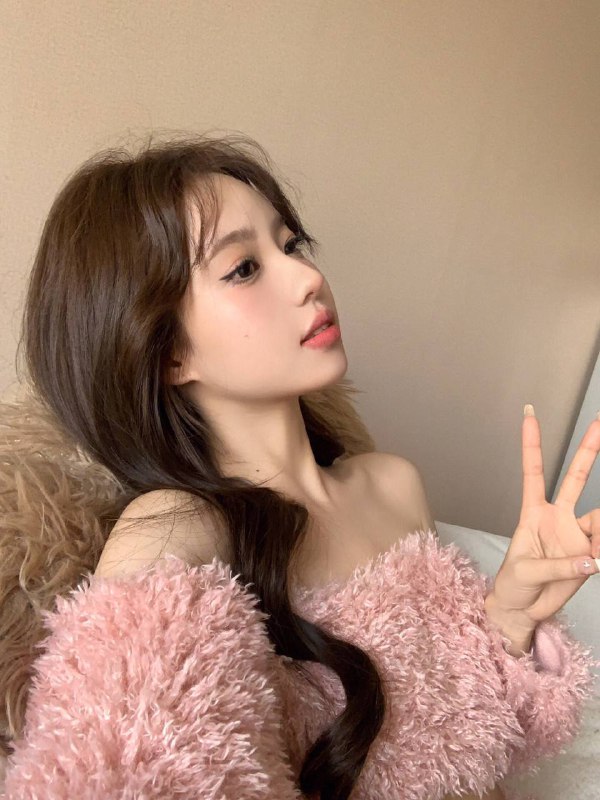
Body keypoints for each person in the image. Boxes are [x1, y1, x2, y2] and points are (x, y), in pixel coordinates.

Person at [1, 131, 598, 800]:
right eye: (244, 268)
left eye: (290, 245)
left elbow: (460, 736)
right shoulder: (175, 530)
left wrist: (510, 618)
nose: (309, 277)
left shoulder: (392, 483)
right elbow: (118, 762)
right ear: (167, 351)